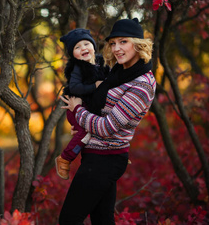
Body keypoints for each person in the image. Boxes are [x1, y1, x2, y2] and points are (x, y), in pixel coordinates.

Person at [58, 18, 156, 225]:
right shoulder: (118, 71)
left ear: (138, 44)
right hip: (97, 154)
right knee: (102, 220)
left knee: (69, 219)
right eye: (113, 43)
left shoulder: (142, 84)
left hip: (106, 158)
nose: (117, 48)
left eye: (123, 42)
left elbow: (106, 127)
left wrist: (78, 110)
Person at [56, 28, 109, 180]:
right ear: (73, 54)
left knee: (101, 126)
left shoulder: (101, 63)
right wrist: (95, 86)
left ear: (93, 46)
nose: (83, 48)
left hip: (90, 108)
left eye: (86, 44)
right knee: (85, 133)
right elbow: (74, 87)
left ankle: (113, 152)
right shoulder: (78, 68)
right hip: (75, 107)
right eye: (77, 47)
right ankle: (65, 159)